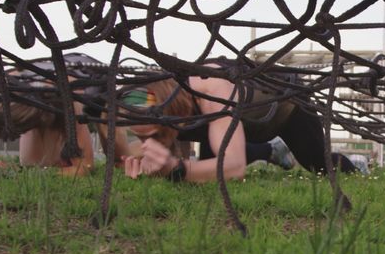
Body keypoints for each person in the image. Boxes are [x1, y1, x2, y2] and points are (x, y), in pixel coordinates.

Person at [120, 72, 361, 183]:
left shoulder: (211, 89)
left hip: (285, 111)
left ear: (170, 109)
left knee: (318, 163)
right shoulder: (167, 107)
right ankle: (271, 151)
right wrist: (139, 162)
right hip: (237, 124)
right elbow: (140, 149)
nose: (148, 141)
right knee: (206, 179)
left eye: (154, 134)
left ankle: (357, 167)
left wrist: (176, 169)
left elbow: (234, 167)